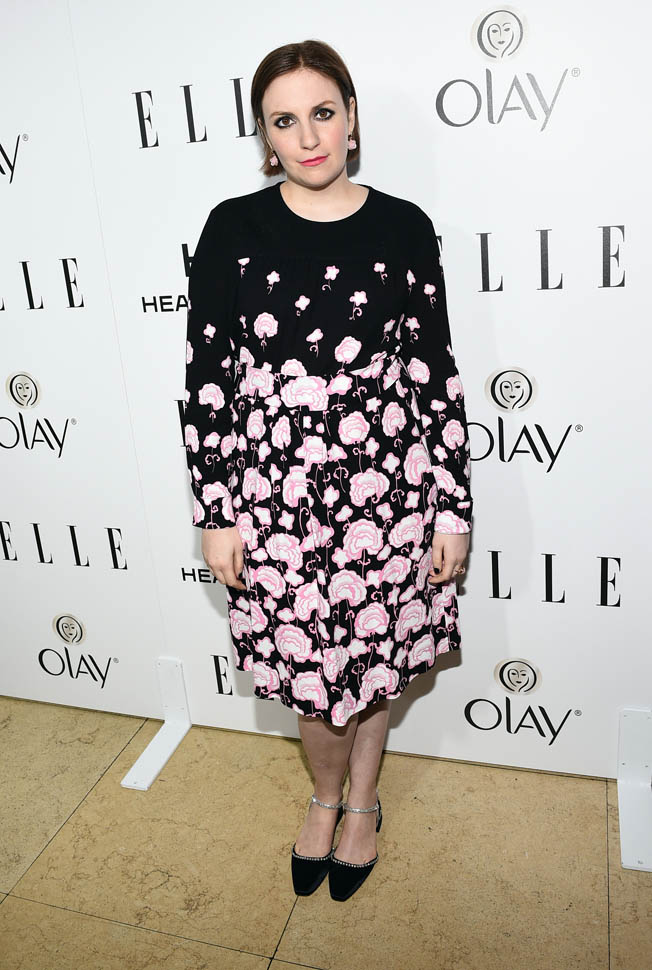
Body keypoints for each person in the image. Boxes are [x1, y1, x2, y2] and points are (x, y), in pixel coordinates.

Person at [182, 39, 473, 902]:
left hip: (389, 490)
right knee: (313, 683)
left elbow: (434, 372)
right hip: (275, 496)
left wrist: (452, 508)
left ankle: (363, 806)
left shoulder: (405, 226)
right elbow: (208, 381)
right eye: (284, 120)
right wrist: (216, 511)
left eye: (322, 112)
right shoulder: (232, 228)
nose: (307, 137)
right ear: (264, 135)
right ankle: (323, 798)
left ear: (351, 118)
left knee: (375, 663)